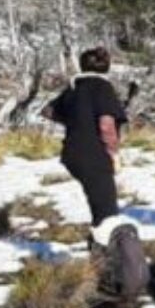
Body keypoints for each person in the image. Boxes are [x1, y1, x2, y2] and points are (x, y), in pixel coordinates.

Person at [43, 47, 129, 242]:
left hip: (72, 153)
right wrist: (114, 154)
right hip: (94, 155)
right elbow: (106, 125)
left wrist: (77, 121)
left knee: (99, 207)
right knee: (107, 215)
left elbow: (48, 111)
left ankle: (100, 252)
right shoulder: (102, 87)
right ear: (107, 66)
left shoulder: (74, 87)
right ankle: (108, 261)